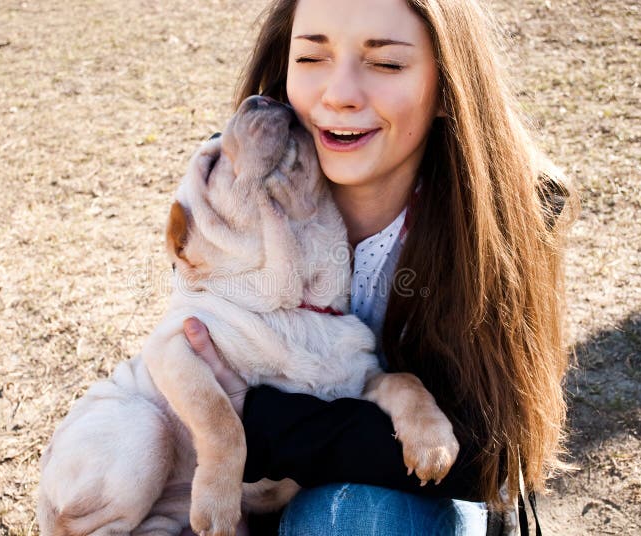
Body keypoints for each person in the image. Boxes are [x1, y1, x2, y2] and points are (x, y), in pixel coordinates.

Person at [183, 0, 575, 534]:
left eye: (387, 64)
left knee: (356, 519)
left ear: (449, 87)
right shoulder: (230, 186)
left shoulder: (511, 214)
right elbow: (181, 371)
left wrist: (259, 424)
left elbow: (491, 454)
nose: (339, 94)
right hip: (249, 494)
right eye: (311, 58)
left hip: (408, 500)